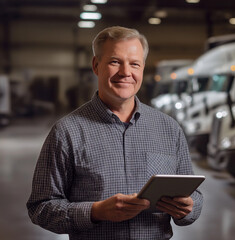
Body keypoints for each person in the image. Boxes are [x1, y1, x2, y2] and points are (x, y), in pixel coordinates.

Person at [27, 26, 203, 239]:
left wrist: (188, 208)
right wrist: (96, 212)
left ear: (142, 68)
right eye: (115, 62)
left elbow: (194, 197)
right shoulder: (67, 132)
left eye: (134, 64)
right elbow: (41, 208)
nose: (126, 72)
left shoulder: (169, 128)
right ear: (96, 65)